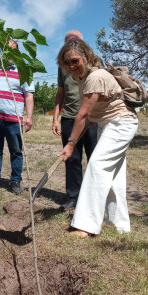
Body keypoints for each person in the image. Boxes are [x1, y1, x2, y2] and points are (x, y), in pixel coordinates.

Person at [57, 39, 138, 238]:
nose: (71, 66)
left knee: (96, 166)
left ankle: (86, 225)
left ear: (86, 57)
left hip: (120, 124)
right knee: (114, 176)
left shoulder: (95, 77)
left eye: (75, 61)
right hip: (109, 124)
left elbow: (82, 115)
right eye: (66, 63)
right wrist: (79, 135)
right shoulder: (84, 78)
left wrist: (70, 144)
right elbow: (91, 118)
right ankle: (118, 224)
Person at [0, 40, 35, 195]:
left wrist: (29, 117)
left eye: (13, 50)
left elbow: (29, 95)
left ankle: (15, 181)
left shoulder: (23, 70)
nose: (9, 54)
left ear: (17, 52)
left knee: (16, 151)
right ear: (1, 51)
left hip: (14, 120)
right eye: (6, 50)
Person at [52, 30, 97, 210]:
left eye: (75, 41)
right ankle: (73, 197)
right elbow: (60, 93)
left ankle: (93, 198)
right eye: (68, 42)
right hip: (70, 118)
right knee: (71, 159)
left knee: (94, 158)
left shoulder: (94, 62)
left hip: (92, 119)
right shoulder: (63, 66)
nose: (72, 44)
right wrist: (55, 118)